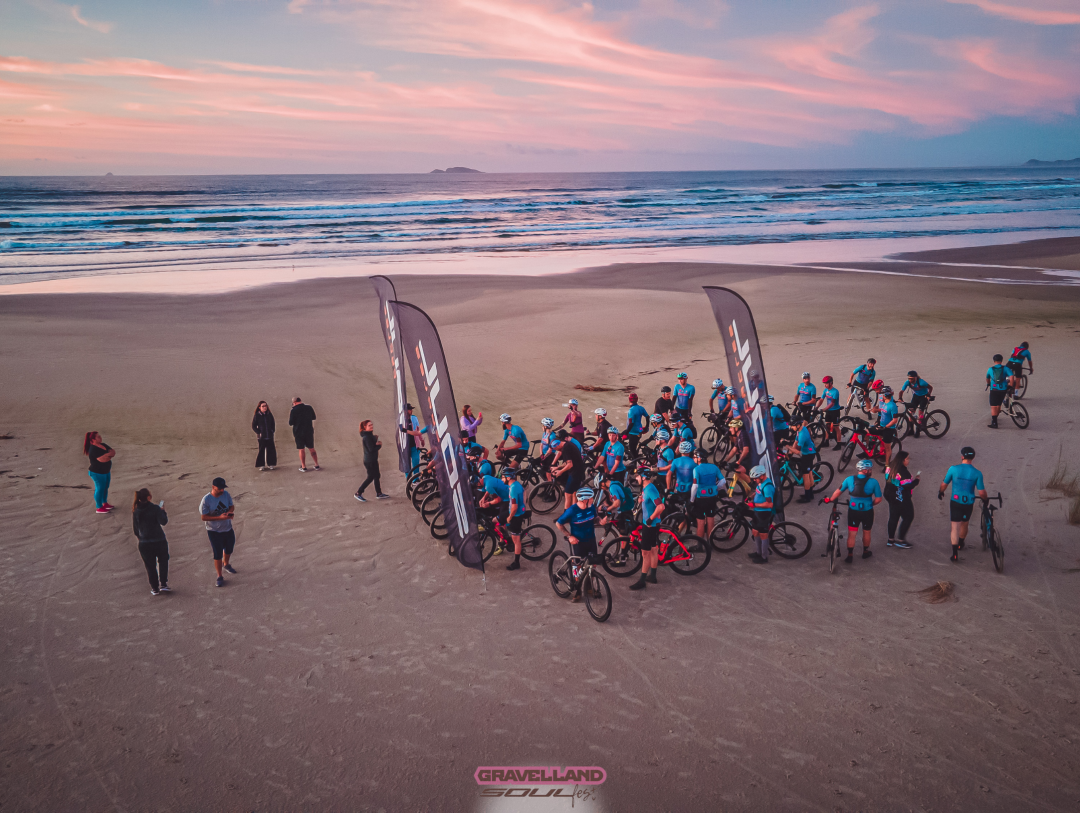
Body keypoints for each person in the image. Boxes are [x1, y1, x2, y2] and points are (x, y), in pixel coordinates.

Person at [825, 459, 882, 564]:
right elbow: (878, 499)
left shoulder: (849, 479)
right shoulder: (873, 482)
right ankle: (865, 552)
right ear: (865, 470)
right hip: (867, 511)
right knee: (867, 531)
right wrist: (871, 504)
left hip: (853, 511)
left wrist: (830, 499)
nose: (871, 471)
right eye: (870, 469)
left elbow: (838, 491)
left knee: (852, 533)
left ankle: (850, 555)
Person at [939, 446, 987, 563]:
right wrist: (985, 500)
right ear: (973, 458)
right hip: (968, 502)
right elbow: (982, 492)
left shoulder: (953, 469)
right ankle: (961, 543)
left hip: (955, 501)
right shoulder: (977, 473)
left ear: (962, 457)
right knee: (964, 524)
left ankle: (954, 554)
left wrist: (941, 492)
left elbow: (944, 484)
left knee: (954, 527)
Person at [555, 488, 600, 602]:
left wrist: (601, 521)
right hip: (578, 543)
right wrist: (569, 536)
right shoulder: (572, 510)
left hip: (591, 540)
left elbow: (595, 518)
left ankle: (590, 587)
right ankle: (578, 591)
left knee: (593, 565)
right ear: (585, 500)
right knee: (577, 567)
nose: (593, 500)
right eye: (591, 498)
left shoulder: (591, 507)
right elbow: (558, 523)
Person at [200, 477, 237, 587]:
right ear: (213, 487)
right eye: (219, 489)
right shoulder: (206, 500)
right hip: (214, 531)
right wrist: (219, 517)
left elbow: (231, 506)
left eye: (223, 488)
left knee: (229, 548)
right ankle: (219, 576)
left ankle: (226, 564)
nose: (222, 490)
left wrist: (229, 513)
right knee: (217, 553)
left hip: (227, 528)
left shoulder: (226, 494)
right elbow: (204, 517)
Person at [630, 469, 664, 590]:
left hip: (649, 525)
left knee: (645, 553)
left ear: (643, 477)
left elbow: (661, 506)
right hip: (652, 524)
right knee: (654, 549)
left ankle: (642, 580)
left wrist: (650, 519)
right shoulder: (647, 488)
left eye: (638, 476)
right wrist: (641, 500)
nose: (636, 478)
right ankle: (653, 576)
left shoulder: (649, 489)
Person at [132, 488, 170, 595]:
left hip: (144, 543)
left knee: (150, 565)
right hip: (159, 540)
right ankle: (163, 584)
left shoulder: (136, 511)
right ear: (148, 497)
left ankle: (155, 588)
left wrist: (141, 538)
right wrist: (163, 511)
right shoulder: (155, 508)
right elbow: (163, 521)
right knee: (163, 561)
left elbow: (135, 530)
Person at [884, 450, 918, 549]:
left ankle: (890, 539)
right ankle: (901, 540)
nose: (908, 461)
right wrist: (916, 481)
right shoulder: (904, 473)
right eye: (907, 459)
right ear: (903, 460)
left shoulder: (890, 467)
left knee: (893, 516)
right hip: (902, 497)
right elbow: (908, 486)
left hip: (890, 496)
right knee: (908, 516)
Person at [690, 449, 722, 539]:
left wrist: (692, 500)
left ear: (699, 458)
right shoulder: (714, 467)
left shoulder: (696, 469)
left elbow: (695, 486)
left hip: (701, 498)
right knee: (710, 518)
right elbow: (722, 481)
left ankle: (700, 544)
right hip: (712, 497)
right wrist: (716, 488)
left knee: (700, 521)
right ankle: (710, 542)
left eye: (694, 457)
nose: (693, 458)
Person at [550, 429, 586, 510]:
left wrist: (560, 471)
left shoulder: (566, 449)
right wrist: (558, 467)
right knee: (574, 493)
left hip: (575, 473)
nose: (558, 451)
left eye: (557, 449)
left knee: (567, 494)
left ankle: (566, 515)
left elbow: (570, 464)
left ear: (557, 445)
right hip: (577, 471)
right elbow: (567, 462)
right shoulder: (567, 445)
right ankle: (573, 512)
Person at [355, 420, 389, 502]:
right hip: (370, 461)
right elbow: (371, 449)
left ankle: (379, 493)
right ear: (365, 427)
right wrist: (379, 445)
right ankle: (359, 492)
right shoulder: (367, 437)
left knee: (377, 475)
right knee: (371, 477)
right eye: (369, 425)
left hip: (372, 460)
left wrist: (375, 440)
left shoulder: (369, 436)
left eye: (372, 425)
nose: (371, 426)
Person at [787, 415, 818, 503]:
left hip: (808, 455)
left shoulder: (802, 435)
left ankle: (807, 497)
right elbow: (796, 442)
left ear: (798, 425)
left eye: (792, 425)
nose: (791, 427)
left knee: (806, 476)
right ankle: (810, 494)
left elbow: (797, 451)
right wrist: (790, 454)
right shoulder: (800, 430)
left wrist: (788, 447)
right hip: (809, 453)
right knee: (810, 473)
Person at [747, 465, 774, 564]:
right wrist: (751, 497)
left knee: (763, 535)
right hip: (757, 512)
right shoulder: (761, 483)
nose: (754, 480)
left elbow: (769, 504)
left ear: (762, 476)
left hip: (764, 514)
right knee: (755, 532)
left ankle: (764, 557)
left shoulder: (768, 488)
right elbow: (758, 491)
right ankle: (758, 552)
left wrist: (754, 504)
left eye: (755, 478)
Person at [83, 431, 115, 514]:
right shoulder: (93, 449)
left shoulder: (103, 445)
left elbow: (113, 452)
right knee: (100, 488)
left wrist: (108, 455)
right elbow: (102, 460)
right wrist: (109, 455)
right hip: (97, 473)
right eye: (98, 437)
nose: (100, 437)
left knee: (105, 487)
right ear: (93, 440)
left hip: (106, 471)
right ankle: (99, 507)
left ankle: (105, 503)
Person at [503, 469, 527, 571]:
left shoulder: (513, 489)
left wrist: (510, 517)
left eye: (503, 477)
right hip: (518, 513)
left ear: (508, 477)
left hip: (516, 516)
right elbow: (524, 491)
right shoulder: (515, 484)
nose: (502, 478)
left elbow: (514, 507)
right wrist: (524, 505)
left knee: (516, 541)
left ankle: (516, 563)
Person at [869, 385, 899, 467]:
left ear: (885, 395)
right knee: (867, 431)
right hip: (881, 425)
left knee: (887, 448)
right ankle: (870, 449)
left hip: (888, 429)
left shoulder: (892, 406)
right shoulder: (884, 404)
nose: (881, 396)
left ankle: (887, 465)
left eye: (882, 394)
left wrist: (886, 427)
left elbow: (895, 420)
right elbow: (881, 412)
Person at [289, 397, 320, 472]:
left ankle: (303, 466)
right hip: (308, 431)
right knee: (311, 448)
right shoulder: (309, 407)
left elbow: (291, 423)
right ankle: (316, 464)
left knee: (301, 449)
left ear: (294, 402)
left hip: (298, 432)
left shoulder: (294, 410)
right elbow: (313, 417)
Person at [899, 372, 933, 437]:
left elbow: (930, 387)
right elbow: (901, 391)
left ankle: (918, 429)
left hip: (924, 397)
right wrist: (900, 398)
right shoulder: (908, 382)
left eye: (912, 379)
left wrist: (928, 394)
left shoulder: (922, 382)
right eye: (909, 379)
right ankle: (911, 430)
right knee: (911, 412)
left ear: (915, 377)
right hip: (916, 396)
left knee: (920, 412)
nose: (910, 380)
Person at [667, 440, 696, 513]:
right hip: (689, 488)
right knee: (689, 507)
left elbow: (669, 474)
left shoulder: (676, 461)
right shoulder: (693, 462)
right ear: (690, 451)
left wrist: (668, 488)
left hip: (679, 487)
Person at [817, 376, 842, 448]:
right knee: (827, 426)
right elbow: (821, 399)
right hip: (829, 411)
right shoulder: (825, 390)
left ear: (831, 383)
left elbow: (832, 403)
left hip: (835, 411)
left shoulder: (835, 392)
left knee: (836, 427)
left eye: (826, 383)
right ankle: (826, 441)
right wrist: (816, 407)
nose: (825, 385)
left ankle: (839, 444)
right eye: (824, 384)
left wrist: (824, 409)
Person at [252, 400, 277, 471]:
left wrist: (272, 431)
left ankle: (271, 464)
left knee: (271, 450)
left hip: (269, 436)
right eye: (263, 406)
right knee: (261, 450)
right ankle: (261, 465)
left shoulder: (269, 414)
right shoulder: (257, 415)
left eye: (265, 406)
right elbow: (253, 426)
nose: (265, 407)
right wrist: (258, 432)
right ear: (259, 407)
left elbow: (273, 423)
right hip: (261, 437)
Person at [986, 354, 1009, 429]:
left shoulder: (990, 369)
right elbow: (1011, 377)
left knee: (993, 405)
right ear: (1001, 360)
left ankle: (994, 423)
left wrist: (988, 383)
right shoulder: (1006, 368)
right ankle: (997, 413)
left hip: (994, 389)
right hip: (1003, 389)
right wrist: (1011, 385)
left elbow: (987, 378)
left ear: (994, 361)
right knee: (999, 403)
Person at [400, 403, 425, 471]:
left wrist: (421, 439)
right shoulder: (401, 420)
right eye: (410, 409)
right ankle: (408, 478)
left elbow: (417, 430)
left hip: (414, 445)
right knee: (406, 464)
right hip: (405, 446)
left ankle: (415, 479)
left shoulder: (414, 418)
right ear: (405, 411)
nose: (411, 411)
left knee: (416, 462)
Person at [624, 393, 649, 459]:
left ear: (629, 400)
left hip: (632, 432)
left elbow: (631, 424)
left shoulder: (631, 411)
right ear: (637, 400)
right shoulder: (641, 408)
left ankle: (634, 464)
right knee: (633, 446)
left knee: (632, 449)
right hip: (639, 431)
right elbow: (647, 417)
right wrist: (647, 427)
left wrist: (626, 433)